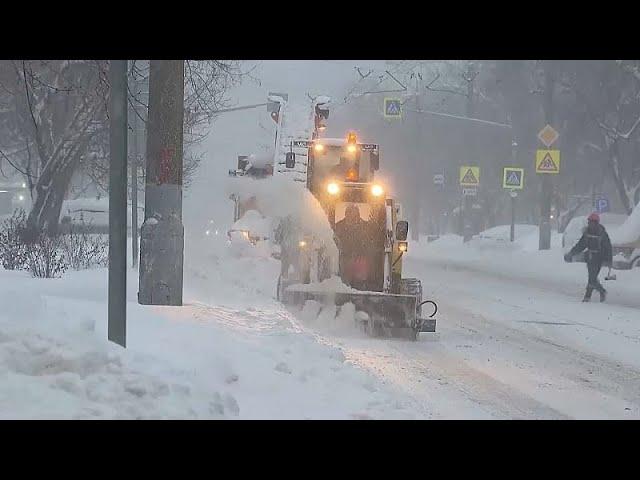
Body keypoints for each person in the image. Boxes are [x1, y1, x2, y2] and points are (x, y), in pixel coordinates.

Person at [564, 212, 613, 302]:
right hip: (590, 257)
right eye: (589, 222)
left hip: (599, 257)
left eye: (592, 222)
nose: (590, 224)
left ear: (596, 223)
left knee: (592, 277)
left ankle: (588, 296)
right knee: (592, 277)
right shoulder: (587, 233)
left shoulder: (602, 233)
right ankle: (601, 291)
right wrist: (571, 253)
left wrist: (609, 260)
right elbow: (581, 245)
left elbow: (608, 247)